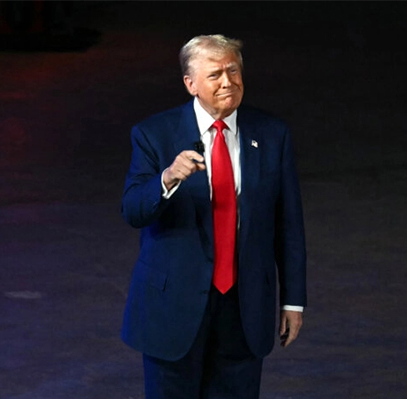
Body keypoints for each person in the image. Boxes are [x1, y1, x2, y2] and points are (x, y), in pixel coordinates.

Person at [120, 34, 307, 399]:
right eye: (215, 74)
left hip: (244, 307)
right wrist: (168, 177)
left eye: (233, 71)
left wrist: (293, 300)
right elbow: (133, 210)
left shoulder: (271, 135)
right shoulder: (154, 135)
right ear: (190, 84)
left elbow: (289, 224)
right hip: (173, 309)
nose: (228, 82)